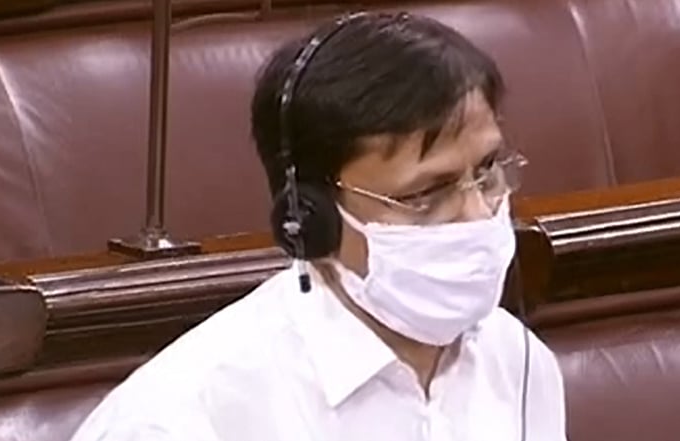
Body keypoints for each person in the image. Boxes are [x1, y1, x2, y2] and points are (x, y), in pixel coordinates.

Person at [69, 11, 566, 441]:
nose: (478, 214)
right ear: (309, 217)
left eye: (486, 172)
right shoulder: (178, 419)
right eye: (423, 194)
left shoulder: (517, 359)